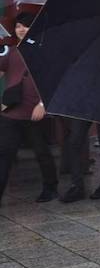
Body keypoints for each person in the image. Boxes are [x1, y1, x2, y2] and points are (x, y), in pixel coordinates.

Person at [0, 12, 58, 203]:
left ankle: (50, 188)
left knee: (41, 152)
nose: (21, 29)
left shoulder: (44, 50)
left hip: (34, 111)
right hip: (11, 111)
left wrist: (42, 104)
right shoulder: (13, 51)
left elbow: (51, 81)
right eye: (17, 26)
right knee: (4, 154)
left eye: (25, 26)